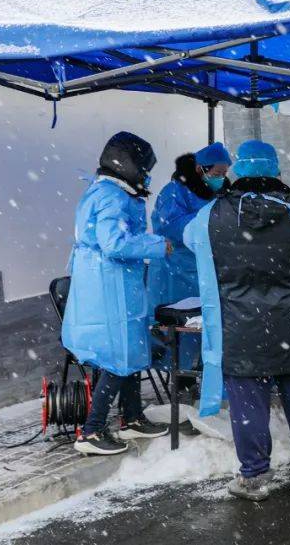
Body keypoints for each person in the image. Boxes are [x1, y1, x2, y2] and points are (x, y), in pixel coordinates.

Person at [184, 140, 290, 500]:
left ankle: (254, 476)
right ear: (276, 169)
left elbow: (190, 240)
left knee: (248, 405)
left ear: (238, 169)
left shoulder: (211, 215)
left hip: (241, 328)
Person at [65, 132, 171, 456]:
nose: (147, 175)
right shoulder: (111, 195)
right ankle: (92, 431)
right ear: (126, 165)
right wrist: (157, 245)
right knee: (116, 357)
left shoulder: (107, 191)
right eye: (143, 168)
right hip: (110, 291)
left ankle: (132, 418)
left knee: (131, 350)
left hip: (115, 288)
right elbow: (114, 243)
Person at [147, 142, 232, 388]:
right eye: (217, 174)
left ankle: (199, 377)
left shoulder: (218, 192)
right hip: (174, 272)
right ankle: (181, 382)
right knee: (180, 330)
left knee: (204, 328)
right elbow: (167, 226)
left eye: (225, 174)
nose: (221, 178)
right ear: (199, 170)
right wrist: (207, 221)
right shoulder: (174, 192)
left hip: (204, 272)